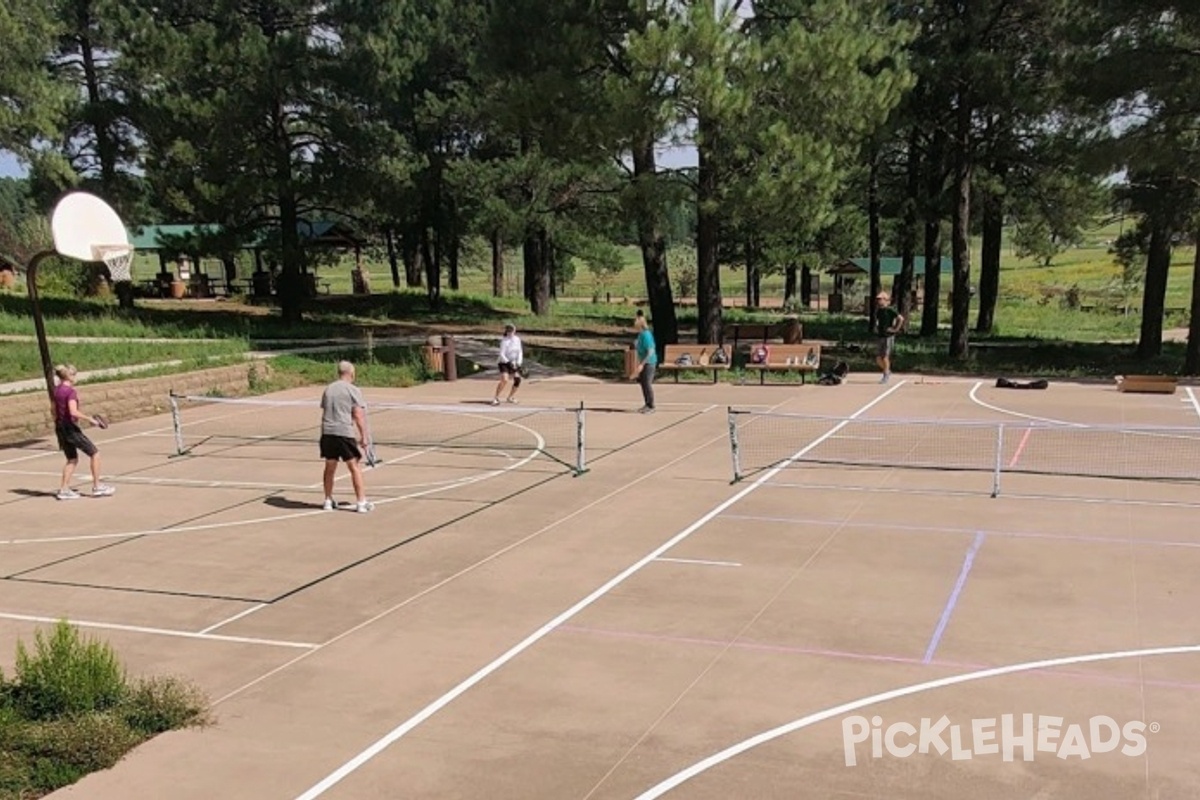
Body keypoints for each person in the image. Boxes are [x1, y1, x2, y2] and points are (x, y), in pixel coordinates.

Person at [53, 365, 114, 500]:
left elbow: (53, 410)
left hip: (60, 427)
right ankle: (97, 486)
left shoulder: (57, 391)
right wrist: (90, 420)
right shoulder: (70, 392)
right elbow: (73, 411)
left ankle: (64, 489)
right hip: (70, 428)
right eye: (74, 375)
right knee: (95, 453)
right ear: (70, 376)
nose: (75, 377)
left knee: (72, 459)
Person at [319, 360, 374, 513]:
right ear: (351, 373)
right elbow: (357, 414)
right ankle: (361, 502)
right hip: (344, 432)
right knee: (354, 467)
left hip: (327, 432)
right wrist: (364, 436)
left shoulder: (328, 389)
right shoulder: (353, 390)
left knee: (330, 466)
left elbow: (325, 410)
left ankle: (328, 500)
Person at [874, 291, 904, 384]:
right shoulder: (879, 311)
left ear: (886, 300)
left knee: (885, 357)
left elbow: (901, 318)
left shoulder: (890, 310)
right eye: (878, 299)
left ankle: (885, 375)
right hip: (880, 336)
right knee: (878, 358)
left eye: (881, 299)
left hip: (888, 336)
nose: (879, 301)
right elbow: (878, 321)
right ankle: (887, 370)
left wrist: (895, 329)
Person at [492, 323, 523, 405]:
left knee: (517, 379)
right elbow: (502, 354)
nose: (510, 333)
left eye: (512, 331)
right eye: (509, 331)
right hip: (503, 362)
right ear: (507, 331)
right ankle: (496, 398)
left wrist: (518, 363)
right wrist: (508, 363)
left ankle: (510, 397)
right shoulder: (504, 341)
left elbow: (519, 352)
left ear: (514, 331)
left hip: (514, 362)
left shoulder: (517, 339)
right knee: (505, 380)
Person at [633, 310, 657, 413]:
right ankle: (647, 403)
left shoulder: (646, 335)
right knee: (643, 383)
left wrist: (642, 364)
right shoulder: (640, 335)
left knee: (647, 383)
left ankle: (651, 405)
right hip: (643, 362)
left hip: (649, 363)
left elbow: (650, 351)